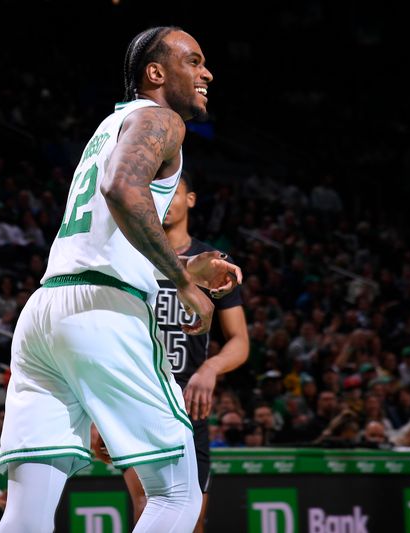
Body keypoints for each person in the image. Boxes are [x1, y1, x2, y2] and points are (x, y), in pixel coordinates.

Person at [0, 26, 241, 533]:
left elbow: (110, 227)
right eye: (193, 62)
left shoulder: (110, 126)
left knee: (25, 518)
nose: (206, 73)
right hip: (103, 314)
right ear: (155, 73)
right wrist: (183, 281)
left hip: (45, 313)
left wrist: (181, 269)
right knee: (177, 496)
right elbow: (122, 189)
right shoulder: (161, 118)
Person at [112, 173, 248, 529]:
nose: (167, 199)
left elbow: (239, 340)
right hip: (138, 396)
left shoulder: (212, 261)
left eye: (175, 192)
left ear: (191, 200)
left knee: (193, 520)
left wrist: (210, 369)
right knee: (148, 509)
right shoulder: (130, 257)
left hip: (189, 401)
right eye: (159, 192)